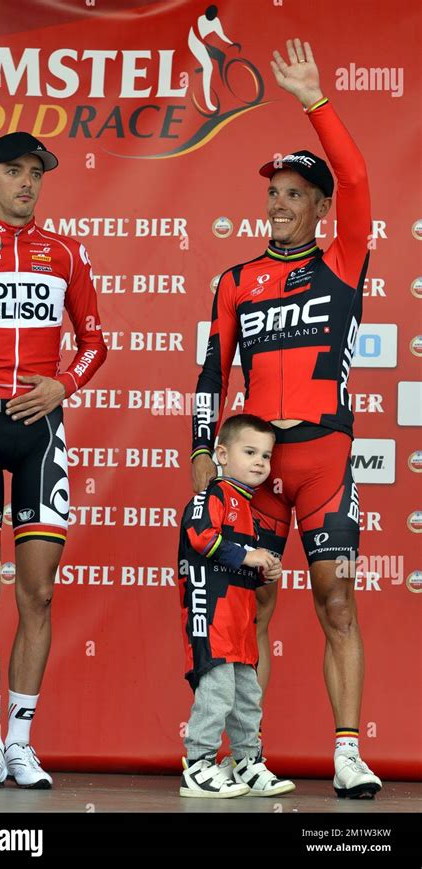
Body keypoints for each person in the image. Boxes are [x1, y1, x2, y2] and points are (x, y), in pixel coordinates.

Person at [191, 39, 382, 799]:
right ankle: (247, 752)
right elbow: (213, 371)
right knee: (251, 607)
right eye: (274, 191)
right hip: (255, 470)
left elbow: (361, 175)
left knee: (335, 600)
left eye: (296, 192)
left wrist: (313, 99)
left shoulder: (342, 262)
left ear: (320, 207)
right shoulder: (235, 280)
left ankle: (346, 752)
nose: (279, 201)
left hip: (325, 459)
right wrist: (203, 452)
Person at [0, 131, 107, 789]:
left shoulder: (65, 255)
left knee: (38, 590)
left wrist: (62, 385)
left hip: (41, 428)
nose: (26, 182)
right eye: (13, 171)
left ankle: (20, 742)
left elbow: (97, 341)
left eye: (35, 173)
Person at [179, 414, 295, 798]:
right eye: (250, 452)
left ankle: (246, 762)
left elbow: (245, 566)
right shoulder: (209, 496)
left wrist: (265, 571)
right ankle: (198, 765)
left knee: (248, 694)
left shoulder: (249, 508)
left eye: (266, 455)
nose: (261, 462)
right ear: (223, 455)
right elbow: (199, 536)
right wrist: (249, 557)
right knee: (217, 691)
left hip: (242, 620)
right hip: (211, 611)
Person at [188, 4, 238, 112]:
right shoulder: (200, 19)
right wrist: (208, 48)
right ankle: (208, 101)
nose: (209, 17)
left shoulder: (216, 22)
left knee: (221, 56)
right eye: (208, 15)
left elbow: (221, 35)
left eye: (212, 16)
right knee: (209, 67)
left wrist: (233, 43)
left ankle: (220, 75)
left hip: (205, 42)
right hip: (195, 41)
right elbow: (197, 35)